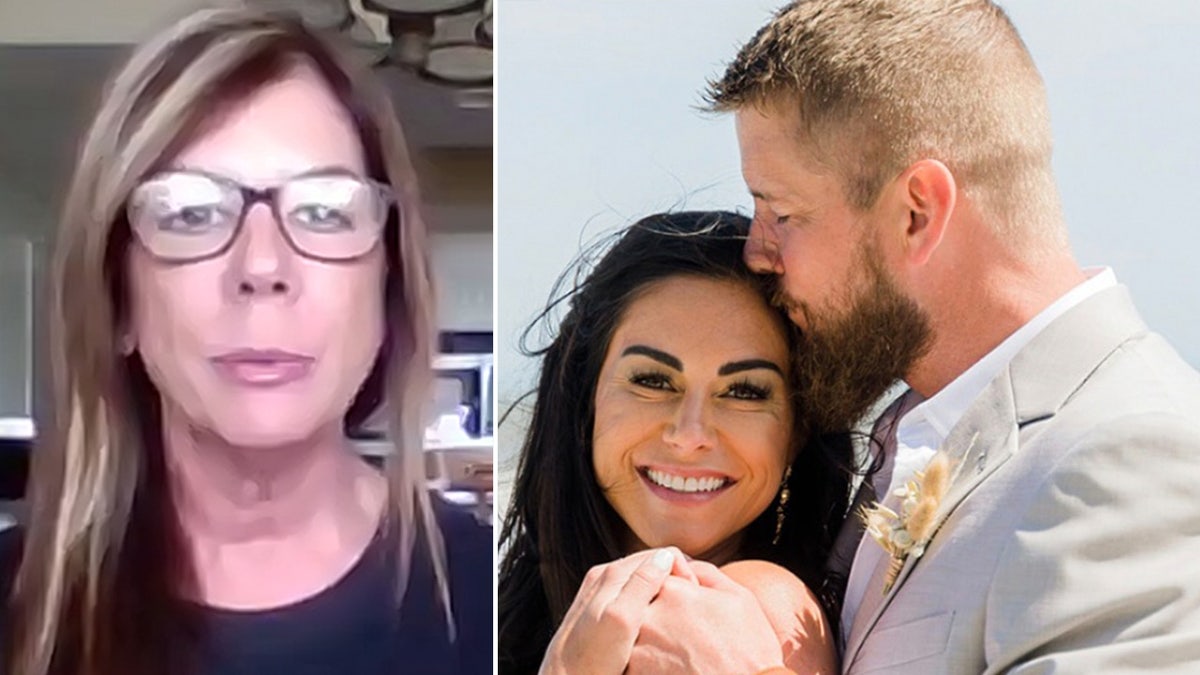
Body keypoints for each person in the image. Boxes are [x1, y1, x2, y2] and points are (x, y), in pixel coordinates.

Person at [625, 1, 1200, 673]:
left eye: (782, 213)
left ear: (917, 212)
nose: (757, 251)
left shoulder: (1129, 457)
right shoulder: (923, 431)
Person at [0, 7, 490, 675]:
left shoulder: (506, 601)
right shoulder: (16, 612)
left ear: (388, 287)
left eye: (324, 210)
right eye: (191, 212)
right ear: (118, 300)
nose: (262, 266)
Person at [497, 211, 860, 674]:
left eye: (745, 391)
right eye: (652, 381)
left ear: (798, 429)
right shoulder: (507, 614)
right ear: (585, 399)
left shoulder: (755, 607)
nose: (690, 436)